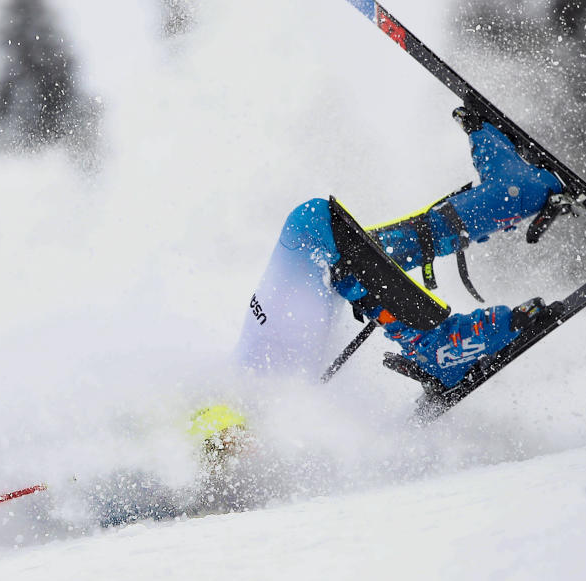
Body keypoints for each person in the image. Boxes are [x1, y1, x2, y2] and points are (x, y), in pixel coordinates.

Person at [234, 107, 565, 392]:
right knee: (346, 254)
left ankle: (437, 348)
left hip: (313, 240)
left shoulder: (235, 404)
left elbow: (217, 436)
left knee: (334, 250)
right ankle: (510, 191)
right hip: (315, 247)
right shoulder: (275, 413)